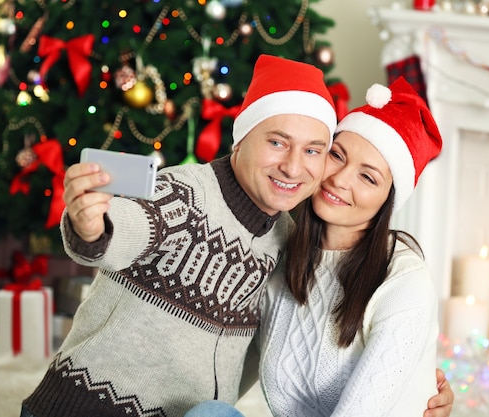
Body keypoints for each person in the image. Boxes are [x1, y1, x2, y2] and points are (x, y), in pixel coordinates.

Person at [21, 55, 452, 416]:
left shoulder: (292, 242)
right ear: (242, 137)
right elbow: (128, 226)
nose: (299, 168)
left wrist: (413, 395)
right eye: (336, 155)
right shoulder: (191, 196)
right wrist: (92, 225)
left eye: (314, 151)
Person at [186, 77, 448, 417]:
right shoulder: (284, 248)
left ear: (388, 199)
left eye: (368, 177)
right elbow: (234, 371)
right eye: (336, 156)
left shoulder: (404, 281)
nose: (340, 179)